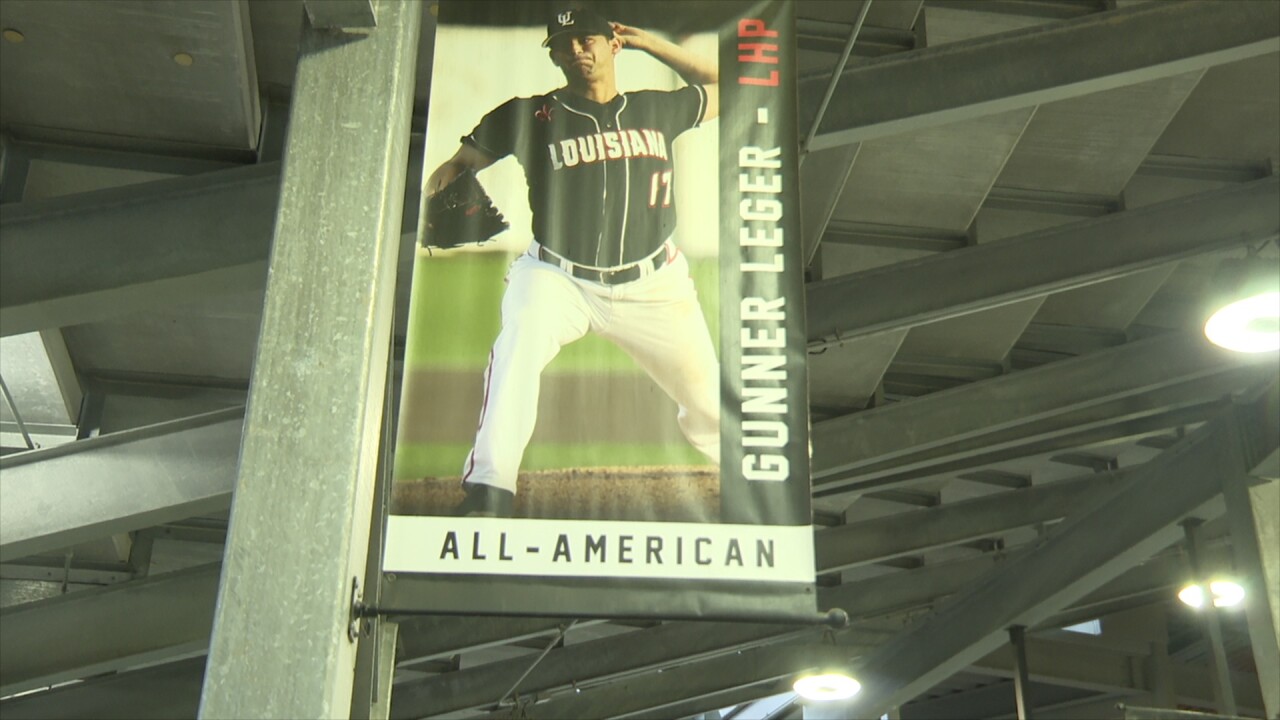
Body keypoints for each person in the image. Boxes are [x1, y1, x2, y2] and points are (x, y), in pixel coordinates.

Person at [425, 6, 721, 517]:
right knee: (517, 347)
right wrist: (442, 182)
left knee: (709, 404)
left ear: (612, 44)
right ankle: (489, 492)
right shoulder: (529, 116)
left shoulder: (657, 109)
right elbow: (456, 165)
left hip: (655, 285)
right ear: (556, 56)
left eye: (587, 39)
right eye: (566, 44)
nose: (578, 51)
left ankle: (756, 481)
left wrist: (651, 43)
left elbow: (726, 84)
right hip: (557, 278)